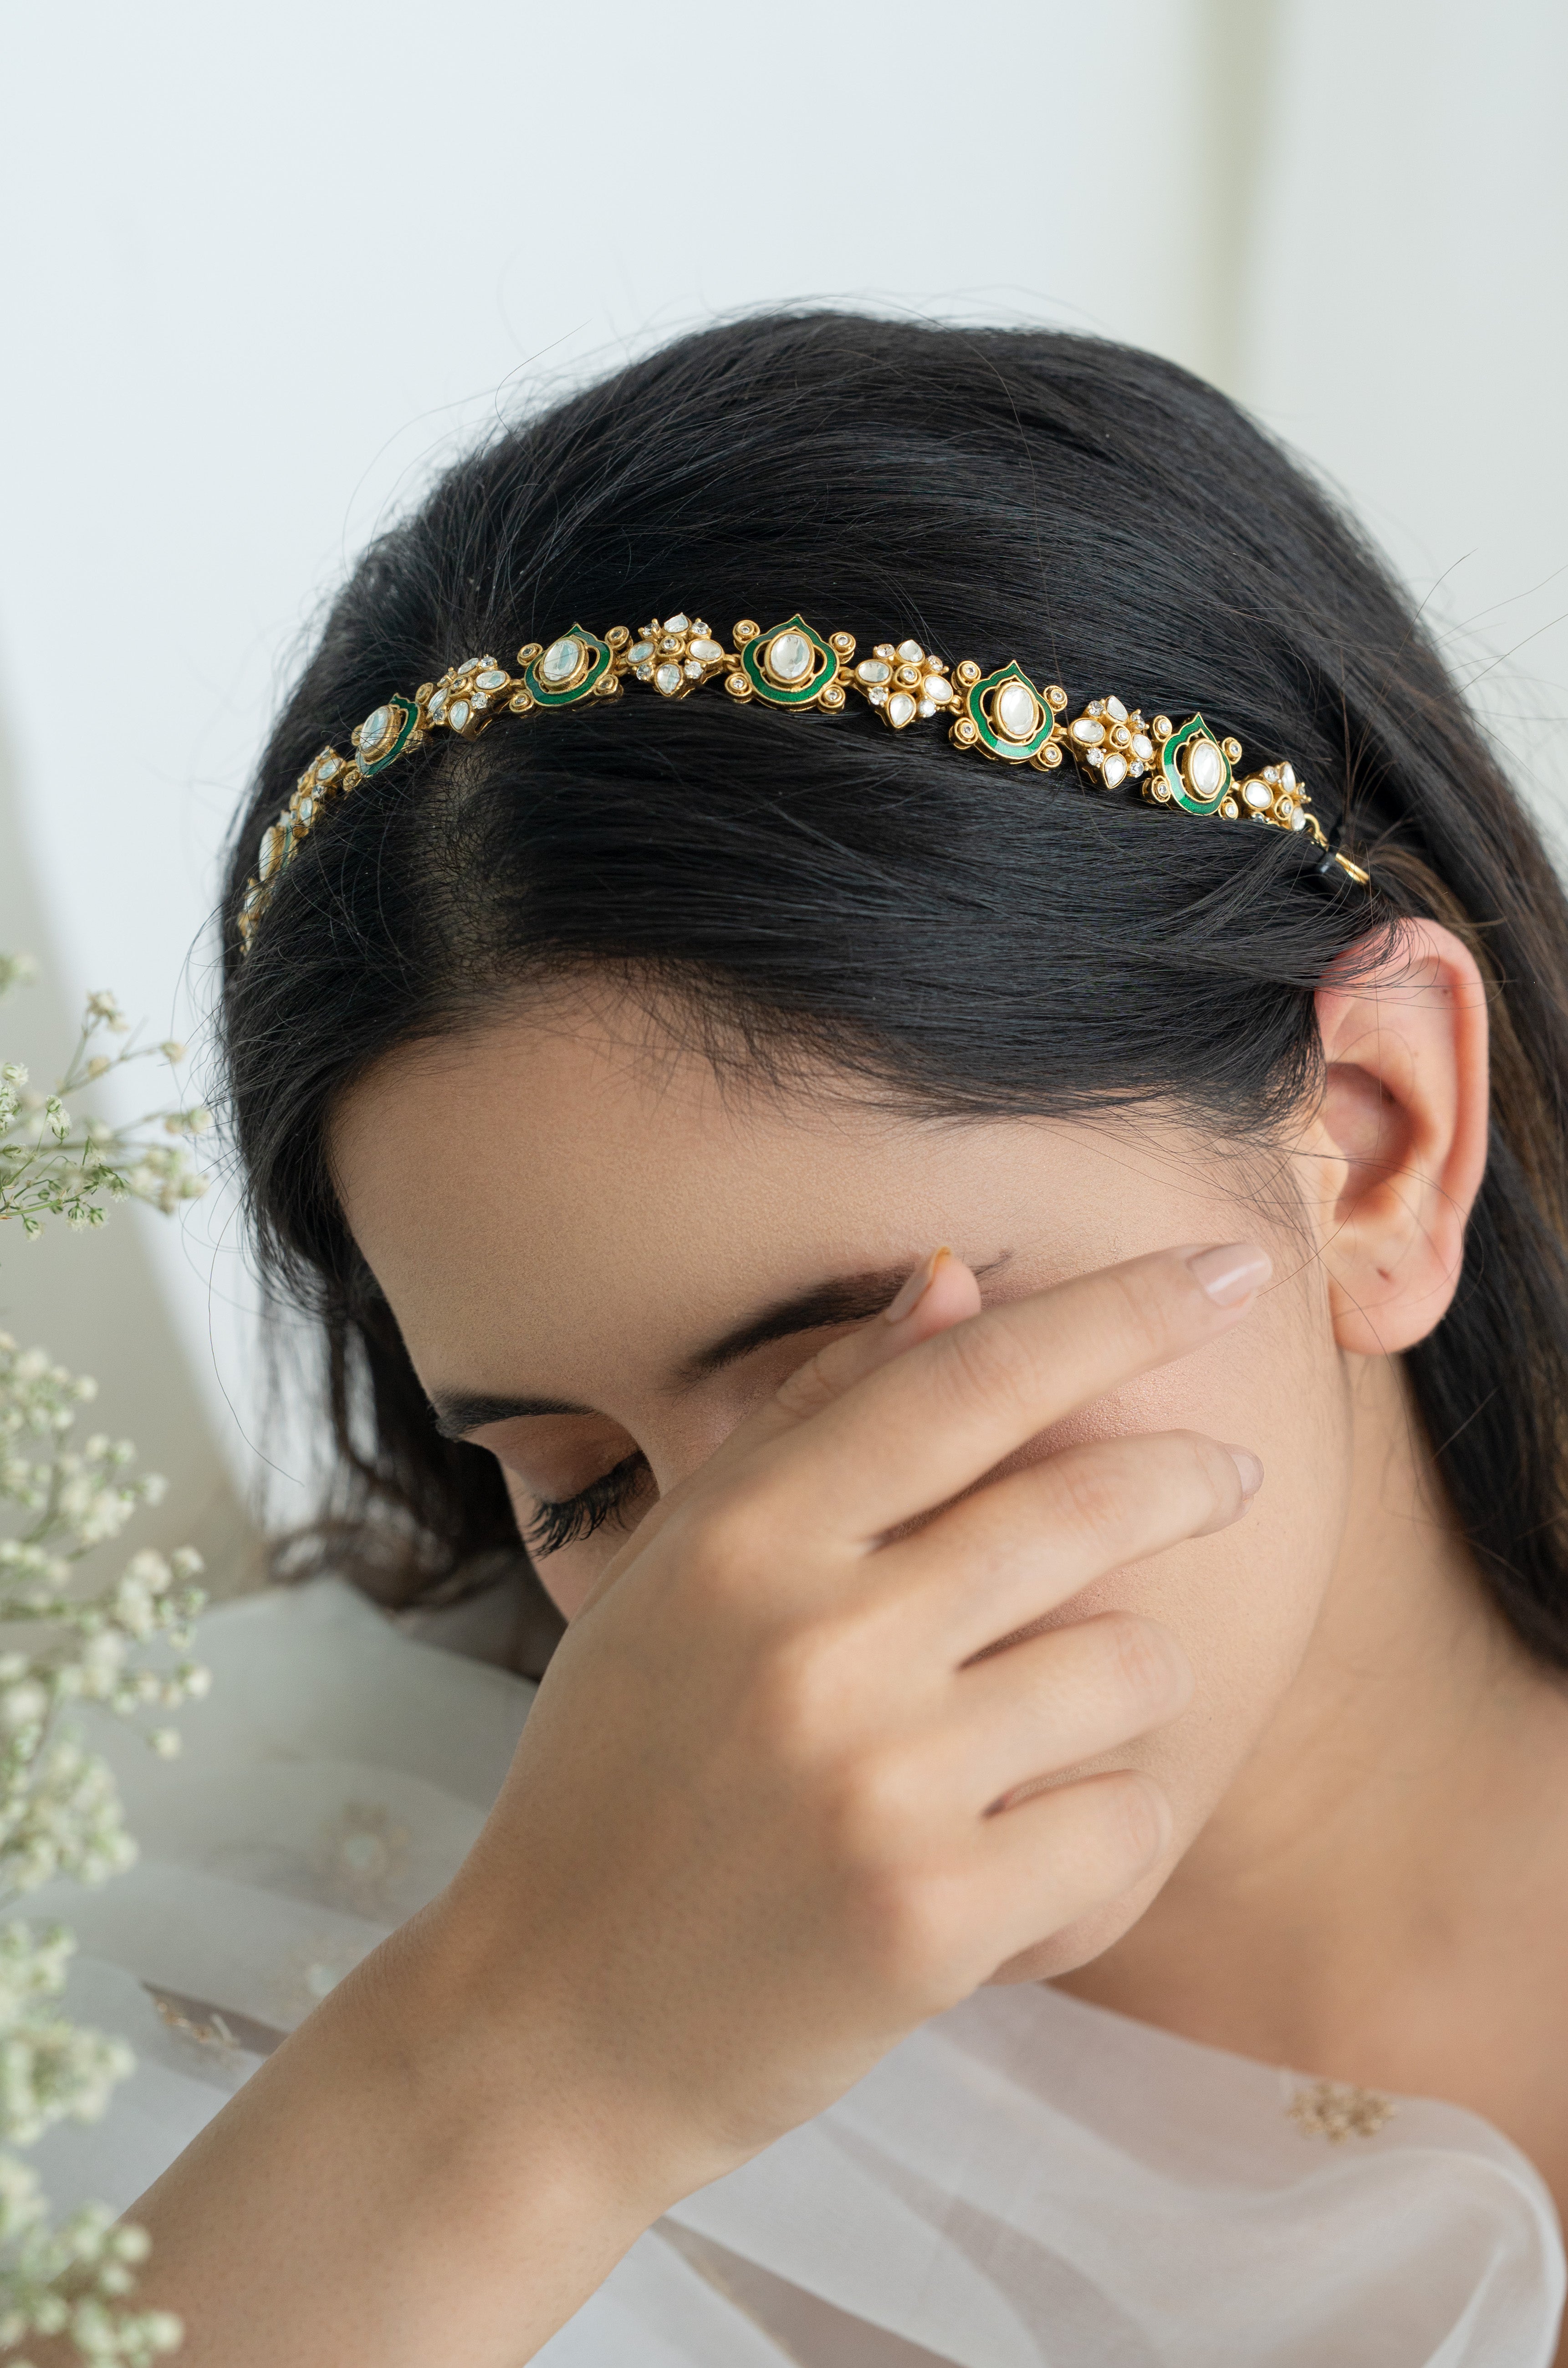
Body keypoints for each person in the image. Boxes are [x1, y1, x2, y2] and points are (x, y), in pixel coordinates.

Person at [35, 314, 1568, 2365]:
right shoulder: (279, 1994)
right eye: (576, 1482)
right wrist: (535, 2069)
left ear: (1379, 1141)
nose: (740, 1619)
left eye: (860, 1373)